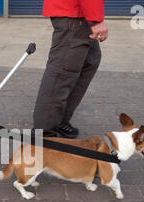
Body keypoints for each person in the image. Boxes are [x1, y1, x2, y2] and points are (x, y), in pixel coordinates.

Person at [33, 0, 108, 138]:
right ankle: (44, 132)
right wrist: (96, 19)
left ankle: (59, 119)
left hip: (78, 14)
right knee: (62, 72)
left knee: (90, 61)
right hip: (73, 15)